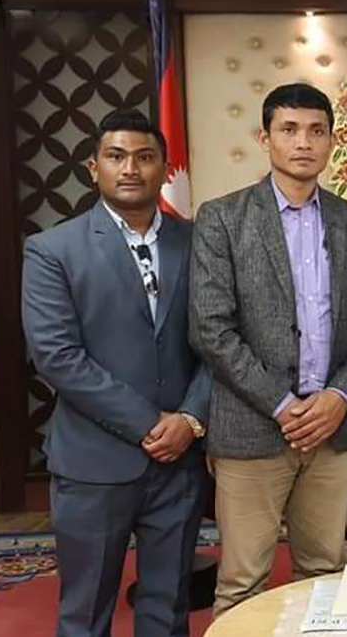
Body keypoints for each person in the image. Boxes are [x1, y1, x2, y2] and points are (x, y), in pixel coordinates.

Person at [189, 83, 347, 615]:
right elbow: (210, 328)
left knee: (323, 575)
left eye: (316, 131)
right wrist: (282, 405)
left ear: (332, 142)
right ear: (265, 138)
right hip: (253, 428)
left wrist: (341, 397)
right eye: (289, 129)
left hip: (333, 430)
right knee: (242, 583)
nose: (303, 142)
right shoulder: (222, 217)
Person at [22, 109, 211, 637]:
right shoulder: (53, 250)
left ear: (164, 168)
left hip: (179, 461)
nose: (131, 168)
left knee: (168, 609)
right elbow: (57, 356)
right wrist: (151, 424)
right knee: (85, 613)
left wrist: (190, 420)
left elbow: (219, 342)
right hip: (94, 463)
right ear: (93, 168)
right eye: (116, 156)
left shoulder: (198, 242)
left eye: (145, 157)